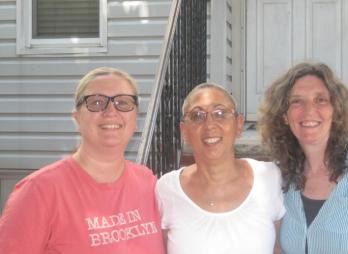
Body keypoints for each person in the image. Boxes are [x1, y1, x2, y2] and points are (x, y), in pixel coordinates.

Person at [0, 67, 165, 254]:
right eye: (96, 102)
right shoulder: (39, 191)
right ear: (77, 118)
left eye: (123, 102)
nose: (111, 111)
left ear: (136, 120)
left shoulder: (147, 181)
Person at [258, 61, 348, 254]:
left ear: (336, 111)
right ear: (284, 116)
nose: (309, 110)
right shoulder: (279, 178)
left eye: (321, 100)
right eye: (296, 101)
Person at [156, 83, 285, 254]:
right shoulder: (166, 190)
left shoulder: (270, 178)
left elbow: (279, 247)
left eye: (220, 114)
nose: (210, 125)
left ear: (239, 125)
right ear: (184, 131)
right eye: (197, 115)